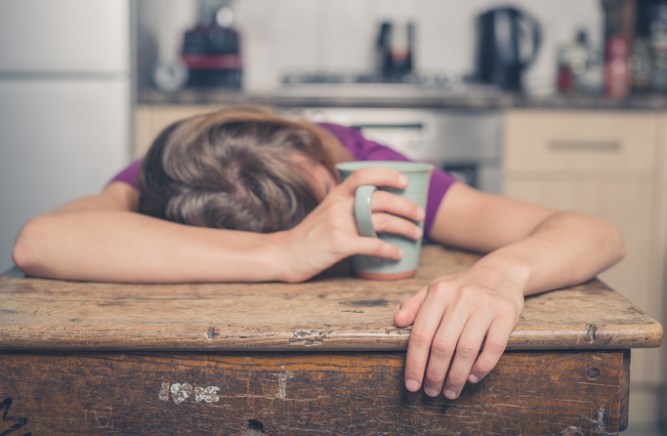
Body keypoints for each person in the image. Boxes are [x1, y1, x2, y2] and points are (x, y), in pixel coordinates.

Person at [12, 106, 625, 401]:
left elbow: (595, 231)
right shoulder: (181, 168)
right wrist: (283, 254)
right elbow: (40, 241)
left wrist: (501, 274)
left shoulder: (359, 162)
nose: (339, 185)